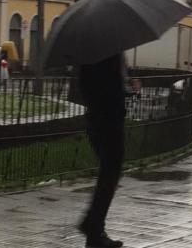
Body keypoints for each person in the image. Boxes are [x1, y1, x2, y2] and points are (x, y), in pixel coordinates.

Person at [77, 53, 126, 248]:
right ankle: (93, 226)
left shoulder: (90, 57)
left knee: (109, 174)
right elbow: (110, 89)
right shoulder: (108, 56)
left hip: (98, 119)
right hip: (108, 121)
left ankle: (93, 229)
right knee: (110, 174)